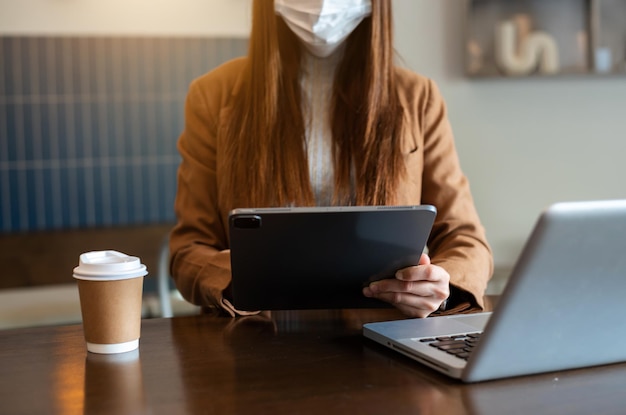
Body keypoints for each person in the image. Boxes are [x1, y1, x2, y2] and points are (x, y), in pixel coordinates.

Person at [169, 0, 493, 318]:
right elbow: (188, 250)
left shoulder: (418, 98)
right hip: (258, 343)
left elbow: (467, 241)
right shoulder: (212, 96)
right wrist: (241, 278)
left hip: (384, 343)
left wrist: (440, 287)